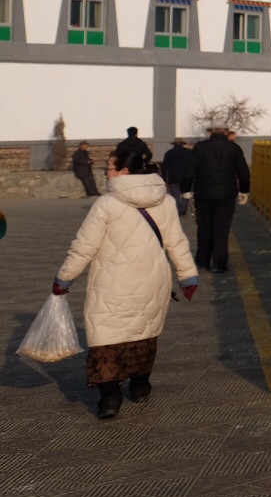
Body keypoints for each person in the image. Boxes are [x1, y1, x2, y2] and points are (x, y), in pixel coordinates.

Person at [52, 147, 198, 419]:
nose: (105, 171)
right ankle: (141, 387)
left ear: (124, 172)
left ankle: (110, 398)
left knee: (106, 339)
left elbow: (84, 247)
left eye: (109, 167)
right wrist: (188, 276)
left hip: (112, 285)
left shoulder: (106, 204)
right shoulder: (165, 201)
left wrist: (64, 278)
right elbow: (176, 242)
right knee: (143, 332)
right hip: (154, 282)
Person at [190, 126, 250, 273]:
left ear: (210, 131)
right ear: (225, 132)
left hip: (203, 194)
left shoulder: (199, 147)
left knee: (204, 228)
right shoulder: (234, 148)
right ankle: (219, 264)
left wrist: (186, 189)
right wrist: (244, 190)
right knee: (221, 230)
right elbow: (243, 171)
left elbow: (190, 169)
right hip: (226, 195)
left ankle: (202, 260)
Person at [161, 138, 195, 216]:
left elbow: (164, 168)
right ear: (183, 144)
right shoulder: (189, 152)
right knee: (185, 194)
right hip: (187, 177)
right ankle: (183, 209)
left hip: (173, 177)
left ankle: (177, 211)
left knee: (175, 195)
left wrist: (165, 179)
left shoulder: (169, 153)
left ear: (174, 144)